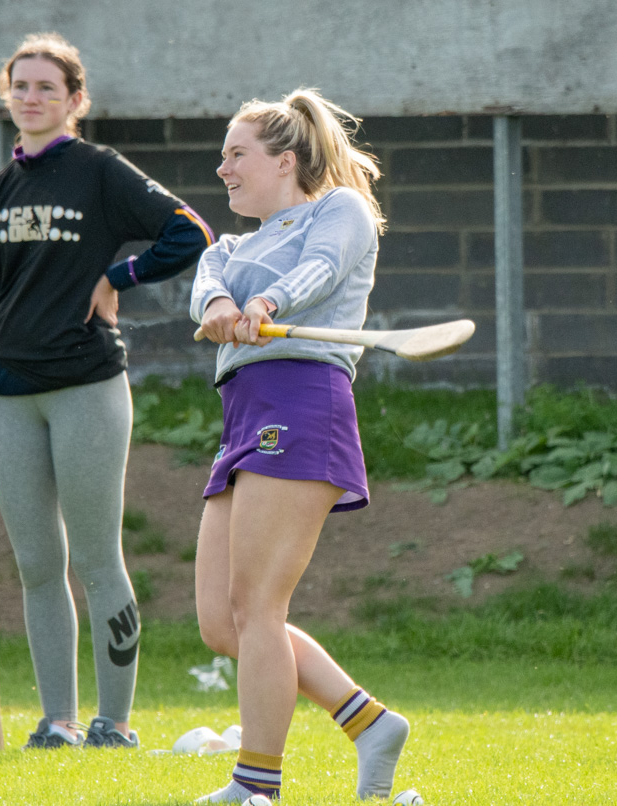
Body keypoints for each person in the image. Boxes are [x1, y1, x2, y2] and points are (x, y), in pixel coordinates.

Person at [0, 32, 214, 751]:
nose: (32, 98)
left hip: (86, 387)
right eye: (21, 86)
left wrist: (117, 278)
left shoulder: (99, 171)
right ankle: (57, 721)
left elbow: (187, 232)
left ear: (75, 100)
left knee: (97, 559)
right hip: (11, 397)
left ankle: (113, 722)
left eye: (48, 87)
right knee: (38, 564)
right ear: (7, 96)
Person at [189, 90, 409, 802]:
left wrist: (267, 305)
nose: (221, 168)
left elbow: (321, 268)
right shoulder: (229, 246)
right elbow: (206, 288)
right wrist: (223, 307)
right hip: (243, 413)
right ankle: (369, 722)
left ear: (284, 161)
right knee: (223, 624)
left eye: (236, 154)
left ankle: (256, 785)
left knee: (257, 606)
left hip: (303, 402)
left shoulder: (336, 210)